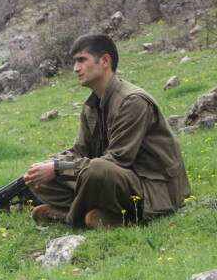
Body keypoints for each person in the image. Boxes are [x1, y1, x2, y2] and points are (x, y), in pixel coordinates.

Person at [24, 34, 191, 228]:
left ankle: (72, 218)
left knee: (95, 170)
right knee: (43, 179)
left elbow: (118, 159)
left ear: (104, 61)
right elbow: (80, 151)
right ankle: (100, 215)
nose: (75, 68)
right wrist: (50, 165)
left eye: (82, 60)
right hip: (117, 181)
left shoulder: (132, 101)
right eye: (75, 62)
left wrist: (58, 168)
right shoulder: (92, 105)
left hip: (154, 188)